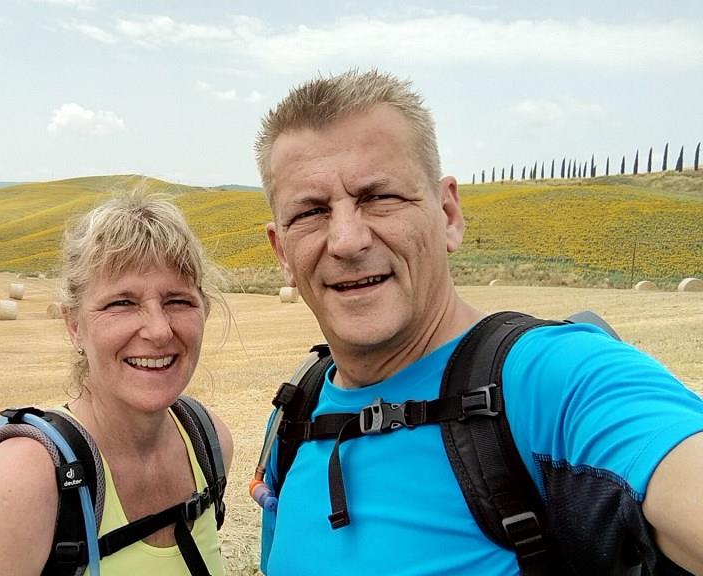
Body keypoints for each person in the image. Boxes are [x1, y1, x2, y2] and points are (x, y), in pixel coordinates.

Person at [254, 69, 703, 575]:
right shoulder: (295, 414)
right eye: (311, 212)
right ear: (282, 252)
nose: (347, 241)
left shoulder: (556, 381)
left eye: (379, 197)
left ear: (448, 214)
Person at [0, 191, 233, 576]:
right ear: (74, 324)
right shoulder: (24, 479)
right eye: (121, 303)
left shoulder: (210, 443)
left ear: (204, 311)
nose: (160, 331)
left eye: (178, 301)